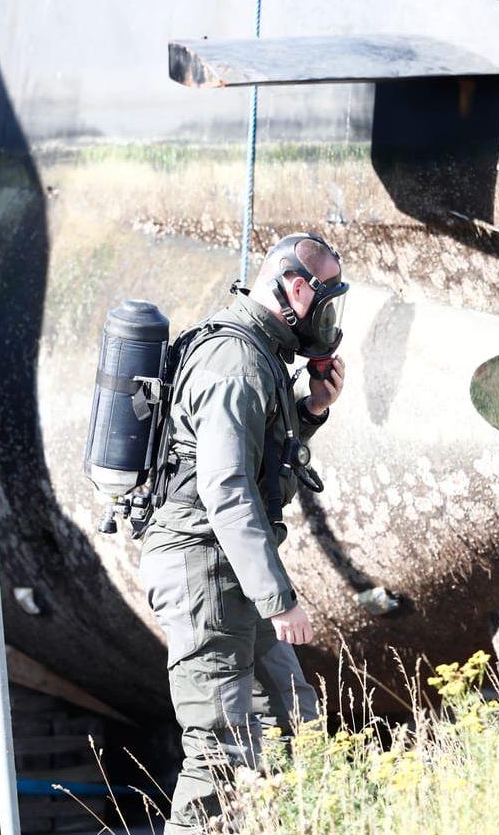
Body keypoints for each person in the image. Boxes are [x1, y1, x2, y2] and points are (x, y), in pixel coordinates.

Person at [139, 233, 349, 833]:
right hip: (202, 570)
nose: (328, 319)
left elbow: (259, 462)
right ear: (299, 289)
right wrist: (278, 598)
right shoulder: (235, 362)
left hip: (228, 570)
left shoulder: (259, 354)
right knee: (221, 756)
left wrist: (309, 411)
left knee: (291, 724)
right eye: (326, 301)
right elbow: (227, 489)